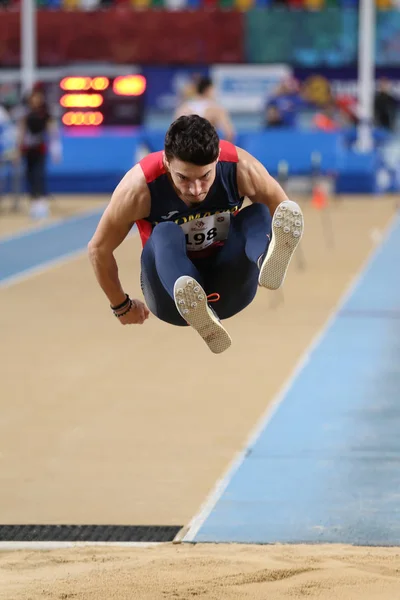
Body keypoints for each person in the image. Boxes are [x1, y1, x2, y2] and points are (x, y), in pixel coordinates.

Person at [88, 115, 304, 354]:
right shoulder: (139, 188)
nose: (196, 190)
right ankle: (187, 291)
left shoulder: (241, 168)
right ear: (166, 162)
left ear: (218, 159)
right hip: (169, 299)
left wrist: (276, 248)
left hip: (231, 287)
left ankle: (264, 259)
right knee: (164, 232)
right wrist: (122, 305)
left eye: (205, 176)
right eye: (184, 178)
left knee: (259, 213)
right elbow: (98, 249)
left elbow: (283, 211)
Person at [15, 86, 61, 219]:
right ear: (30, 99)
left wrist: (55, 150)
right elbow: (21, 131)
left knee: (39, 174)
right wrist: (18, 149)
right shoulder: (25, 113)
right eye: (34, 97)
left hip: (40, 148)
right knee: (29, 175)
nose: (36, 100)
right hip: (28, 150)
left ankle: (42, 202)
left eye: (38, 97)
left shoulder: (45, 113)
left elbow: (52, 131)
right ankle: (34, 201)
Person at [174, 76, 235, 143]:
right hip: (208, 148)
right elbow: (229, 133)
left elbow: (174, 134)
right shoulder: (216, 109)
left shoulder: (183, 108)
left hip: (186, 149)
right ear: (208, 90)